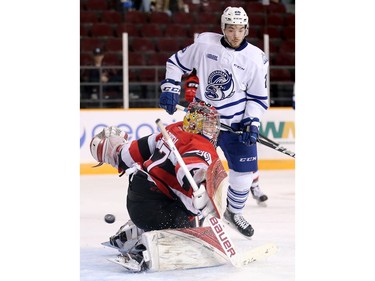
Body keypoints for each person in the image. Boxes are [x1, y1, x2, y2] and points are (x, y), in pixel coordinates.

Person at [159, 6, 269, 238]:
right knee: (190, 170)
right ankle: (185, 216)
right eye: (231, 29)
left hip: (236, 124)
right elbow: (175, 62)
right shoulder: (205, 43)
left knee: (243, 175)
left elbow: (258, 97)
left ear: (247, 29)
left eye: (240, 29)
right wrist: (170, 87)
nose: (236, 35)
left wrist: (252, 122)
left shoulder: (256, 58)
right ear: (223, 29)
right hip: (202, 119)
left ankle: (234, 212)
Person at [90, 101, 221, 250]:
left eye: (213, 124)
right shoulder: (202, 145)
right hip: (159, 207)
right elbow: (190, 169)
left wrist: (118, 152)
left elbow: (142, 147)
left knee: (189, 216)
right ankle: (145, 248)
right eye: (209, 124)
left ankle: (132, 233)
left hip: (137, 195)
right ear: (195, 123)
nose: (213, 129)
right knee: (189, 237)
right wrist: (200, 184)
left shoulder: (174, 128)